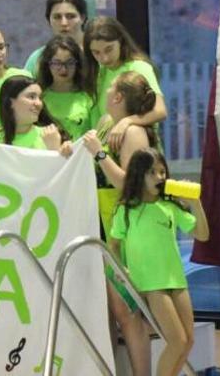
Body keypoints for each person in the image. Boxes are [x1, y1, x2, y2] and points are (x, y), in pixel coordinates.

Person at [81, 71, 162, 376]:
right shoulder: (105, 123)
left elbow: (128, 185)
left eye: (110, 87)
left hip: (123, 227)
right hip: (101, 224)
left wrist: (99, 154)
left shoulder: (133, 134)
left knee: (127, 311)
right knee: (108, 312)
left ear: (117, 97)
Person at [110, 148, 208, 376]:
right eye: (152, 172)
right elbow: (113, 245)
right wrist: (120, 269)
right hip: (151, 282)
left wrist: (196, 203)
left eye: (162, 171)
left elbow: (202, 235)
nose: (160, 177)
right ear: (138, 175)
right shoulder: (127, 209)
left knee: (188, 341)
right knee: (177, 341)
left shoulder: (171, 206)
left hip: (176, 278)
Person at [83, 17, 167, 153]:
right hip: (109, 154)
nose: (103, 58)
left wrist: (126, 121)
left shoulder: (139, 67)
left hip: (140, 151)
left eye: (109, 49)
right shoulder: (98, 73)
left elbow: (160, 111)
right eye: (96, 52)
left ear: (121, 41)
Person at [0, 75, 71, 154]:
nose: (39, 103)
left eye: (40, 98)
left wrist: (55, 150)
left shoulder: (51, 136)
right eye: (31, 97)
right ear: (11, 102)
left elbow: (63, 176)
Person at [37, 35, 95, 141]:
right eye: (57, 63)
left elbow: (97, 136)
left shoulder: (88, 96)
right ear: (47, 64)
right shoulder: (39, 98)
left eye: (70, 63)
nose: (63, 69)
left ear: (78, 65)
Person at [23, 0, 88, 74]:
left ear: (83, 18)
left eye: (70, 16)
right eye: (57, 17)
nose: (64, 23)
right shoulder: (38, 59)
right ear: (49, 20)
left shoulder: (99, 53)